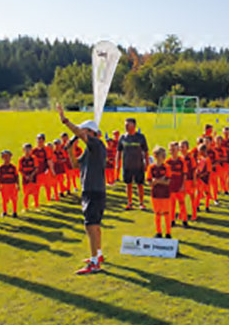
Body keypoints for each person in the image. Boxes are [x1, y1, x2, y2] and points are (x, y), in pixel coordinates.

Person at [58, 104, 107, 275]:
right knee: (93, 225)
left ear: (91, 133)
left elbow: (78, 133)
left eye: (84, 131)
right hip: (91, 189)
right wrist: (70, 150)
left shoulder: (96, 144)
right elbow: (75, 164)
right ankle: (98, 255)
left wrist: (66, 121)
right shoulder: (90, 150)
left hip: (93, 190)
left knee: (91, 225)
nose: (81, 133)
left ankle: (94, 262)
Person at [116, 118, 149, 210]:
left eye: (128, 125)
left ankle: (141, 203)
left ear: (134, 126)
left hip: (139, 165)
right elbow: (119, 151)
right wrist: (117, 164)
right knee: (128, 184)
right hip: (127, 165)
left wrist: (147, 163)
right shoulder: (122, 137)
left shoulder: (141, 137)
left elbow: (146, 151)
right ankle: (129, 203)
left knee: (140, 184)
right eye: (125, 125)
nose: (126, 127)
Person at [147, 146, 172, 238]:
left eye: (165, 154)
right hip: (155, 194)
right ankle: (159, 232)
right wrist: (160, 180)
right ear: (156, 156)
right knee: (157, 213)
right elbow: (149, 183)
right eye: (163, 155)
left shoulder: (167, 167)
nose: (165, 156)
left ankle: (168, 233)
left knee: (166, 213)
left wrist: (156, 181)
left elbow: (168, 182)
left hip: (165, 194)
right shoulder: (151, 168)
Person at [166, 142, 189, 227]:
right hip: (171, 187)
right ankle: (172, 220)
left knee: (182, 204)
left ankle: (184, 220)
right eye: (171, 150)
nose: (172, 151)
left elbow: (185, 174)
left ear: (178, 150)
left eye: (174, 149)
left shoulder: (181, 161)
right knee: (171, 205)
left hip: (180, 187)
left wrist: (183, 186)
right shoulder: (167, 162)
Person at [32, 134, 54, 202]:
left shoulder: (46, 149)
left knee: (47, 186)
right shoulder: (34, 150)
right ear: (36, 140)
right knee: (36, 188)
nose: (40, 141)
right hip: (36, 172)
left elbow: (49, 160)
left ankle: (49, 199)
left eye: (42, 139)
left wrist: (52, 171)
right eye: (39, 139)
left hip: (45, 171)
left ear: (44, 140)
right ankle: (36, 203)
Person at [180, 140, 198, 221]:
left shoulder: (190, 158)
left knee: (192, 198)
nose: (181, 149)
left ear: (187, 148)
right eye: (180, 147)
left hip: (190, 181)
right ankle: (183, 214)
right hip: (182, 182)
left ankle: (194, 214)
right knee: (181, 199)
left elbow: (194, 170)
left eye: (183, 147)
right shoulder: (179, 158)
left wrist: (194, 181)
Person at [0, 150, 19, 218]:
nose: (7, 159)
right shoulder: (0, 168)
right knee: (4, 199)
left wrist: (17, 185)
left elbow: (16, 176)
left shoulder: (13, 167)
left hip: (12, 185)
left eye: (8, 157)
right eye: (5, 157)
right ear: (2, 158)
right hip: (4, 185)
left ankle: (14, 212)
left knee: (14, 199)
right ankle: (4, 211)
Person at [19, 143, 39, 211]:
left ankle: (36, 205)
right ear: (23, 150)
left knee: (35, 193)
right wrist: (26, 176)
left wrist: (31, 175)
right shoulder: (21, 160)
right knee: (26, 194)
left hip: (33, 178)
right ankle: (26, 207)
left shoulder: (34, 158)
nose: (27, 151)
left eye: (29, 150)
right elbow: (20, 170)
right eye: (26, 150)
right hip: (25, 179)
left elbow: (36, 168)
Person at [195, 144, 213, 212]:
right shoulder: (200, 158)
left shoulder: (207, 160)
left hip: (205, 179)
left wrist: (201, 175)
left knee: (207, 193)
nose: (198, 152)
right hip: (200, 179)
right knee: (199, 193)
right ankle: (197, 206)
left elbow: (208, 171)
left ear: (203, 151)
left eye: (199, 151)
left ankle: (207, 206)